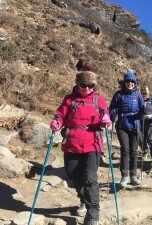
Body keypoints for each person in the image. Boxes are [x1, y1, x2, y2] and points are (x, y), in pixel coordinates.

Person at [49, 70, 111, 225]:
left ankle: (93, 215)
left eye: (91, 85)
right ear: (77, 83)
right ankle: (84, 199)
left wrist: (106, 119)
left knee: (90, 179)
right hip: (72, 144)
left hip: (92, 144)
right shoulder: (69, 99)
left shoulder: (98, 99)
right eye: (84, 85)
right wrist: (57, 121)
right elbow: (60, 114)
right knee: (73, 176)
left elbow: (105, 113)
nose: (87, 88)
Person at [109, 70, 144, 188]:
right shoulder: (119, 94)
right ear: (124, 82)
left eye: (132, 81)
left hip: (135, 125)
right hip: (122, 126)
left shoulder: (138, 96)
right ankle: (124, 176)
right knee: (125, 150)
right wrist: (112, 113)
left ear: (135, 83)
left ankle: (134, 175)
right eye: (128, 81)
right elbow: (112, 107)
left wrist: (142, 112)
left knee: (134, 151)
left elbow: (141, 110)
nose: (130, 83)